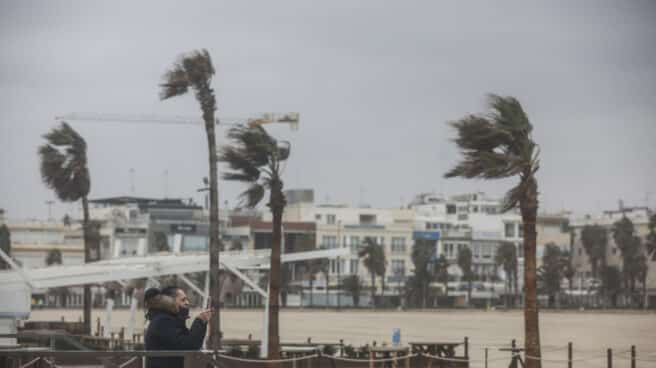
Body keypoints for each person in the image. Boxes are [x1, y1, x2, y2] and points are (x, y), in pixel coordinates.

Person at [144, 286, 212, 368]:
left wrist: (201, 322)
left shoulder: (168, 319)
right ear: (170, 301)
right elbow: (189, 346)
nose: (187, 303)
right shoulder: (163, 321)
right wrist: (199, 321)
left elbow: (192, 344)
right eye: (183, 300)